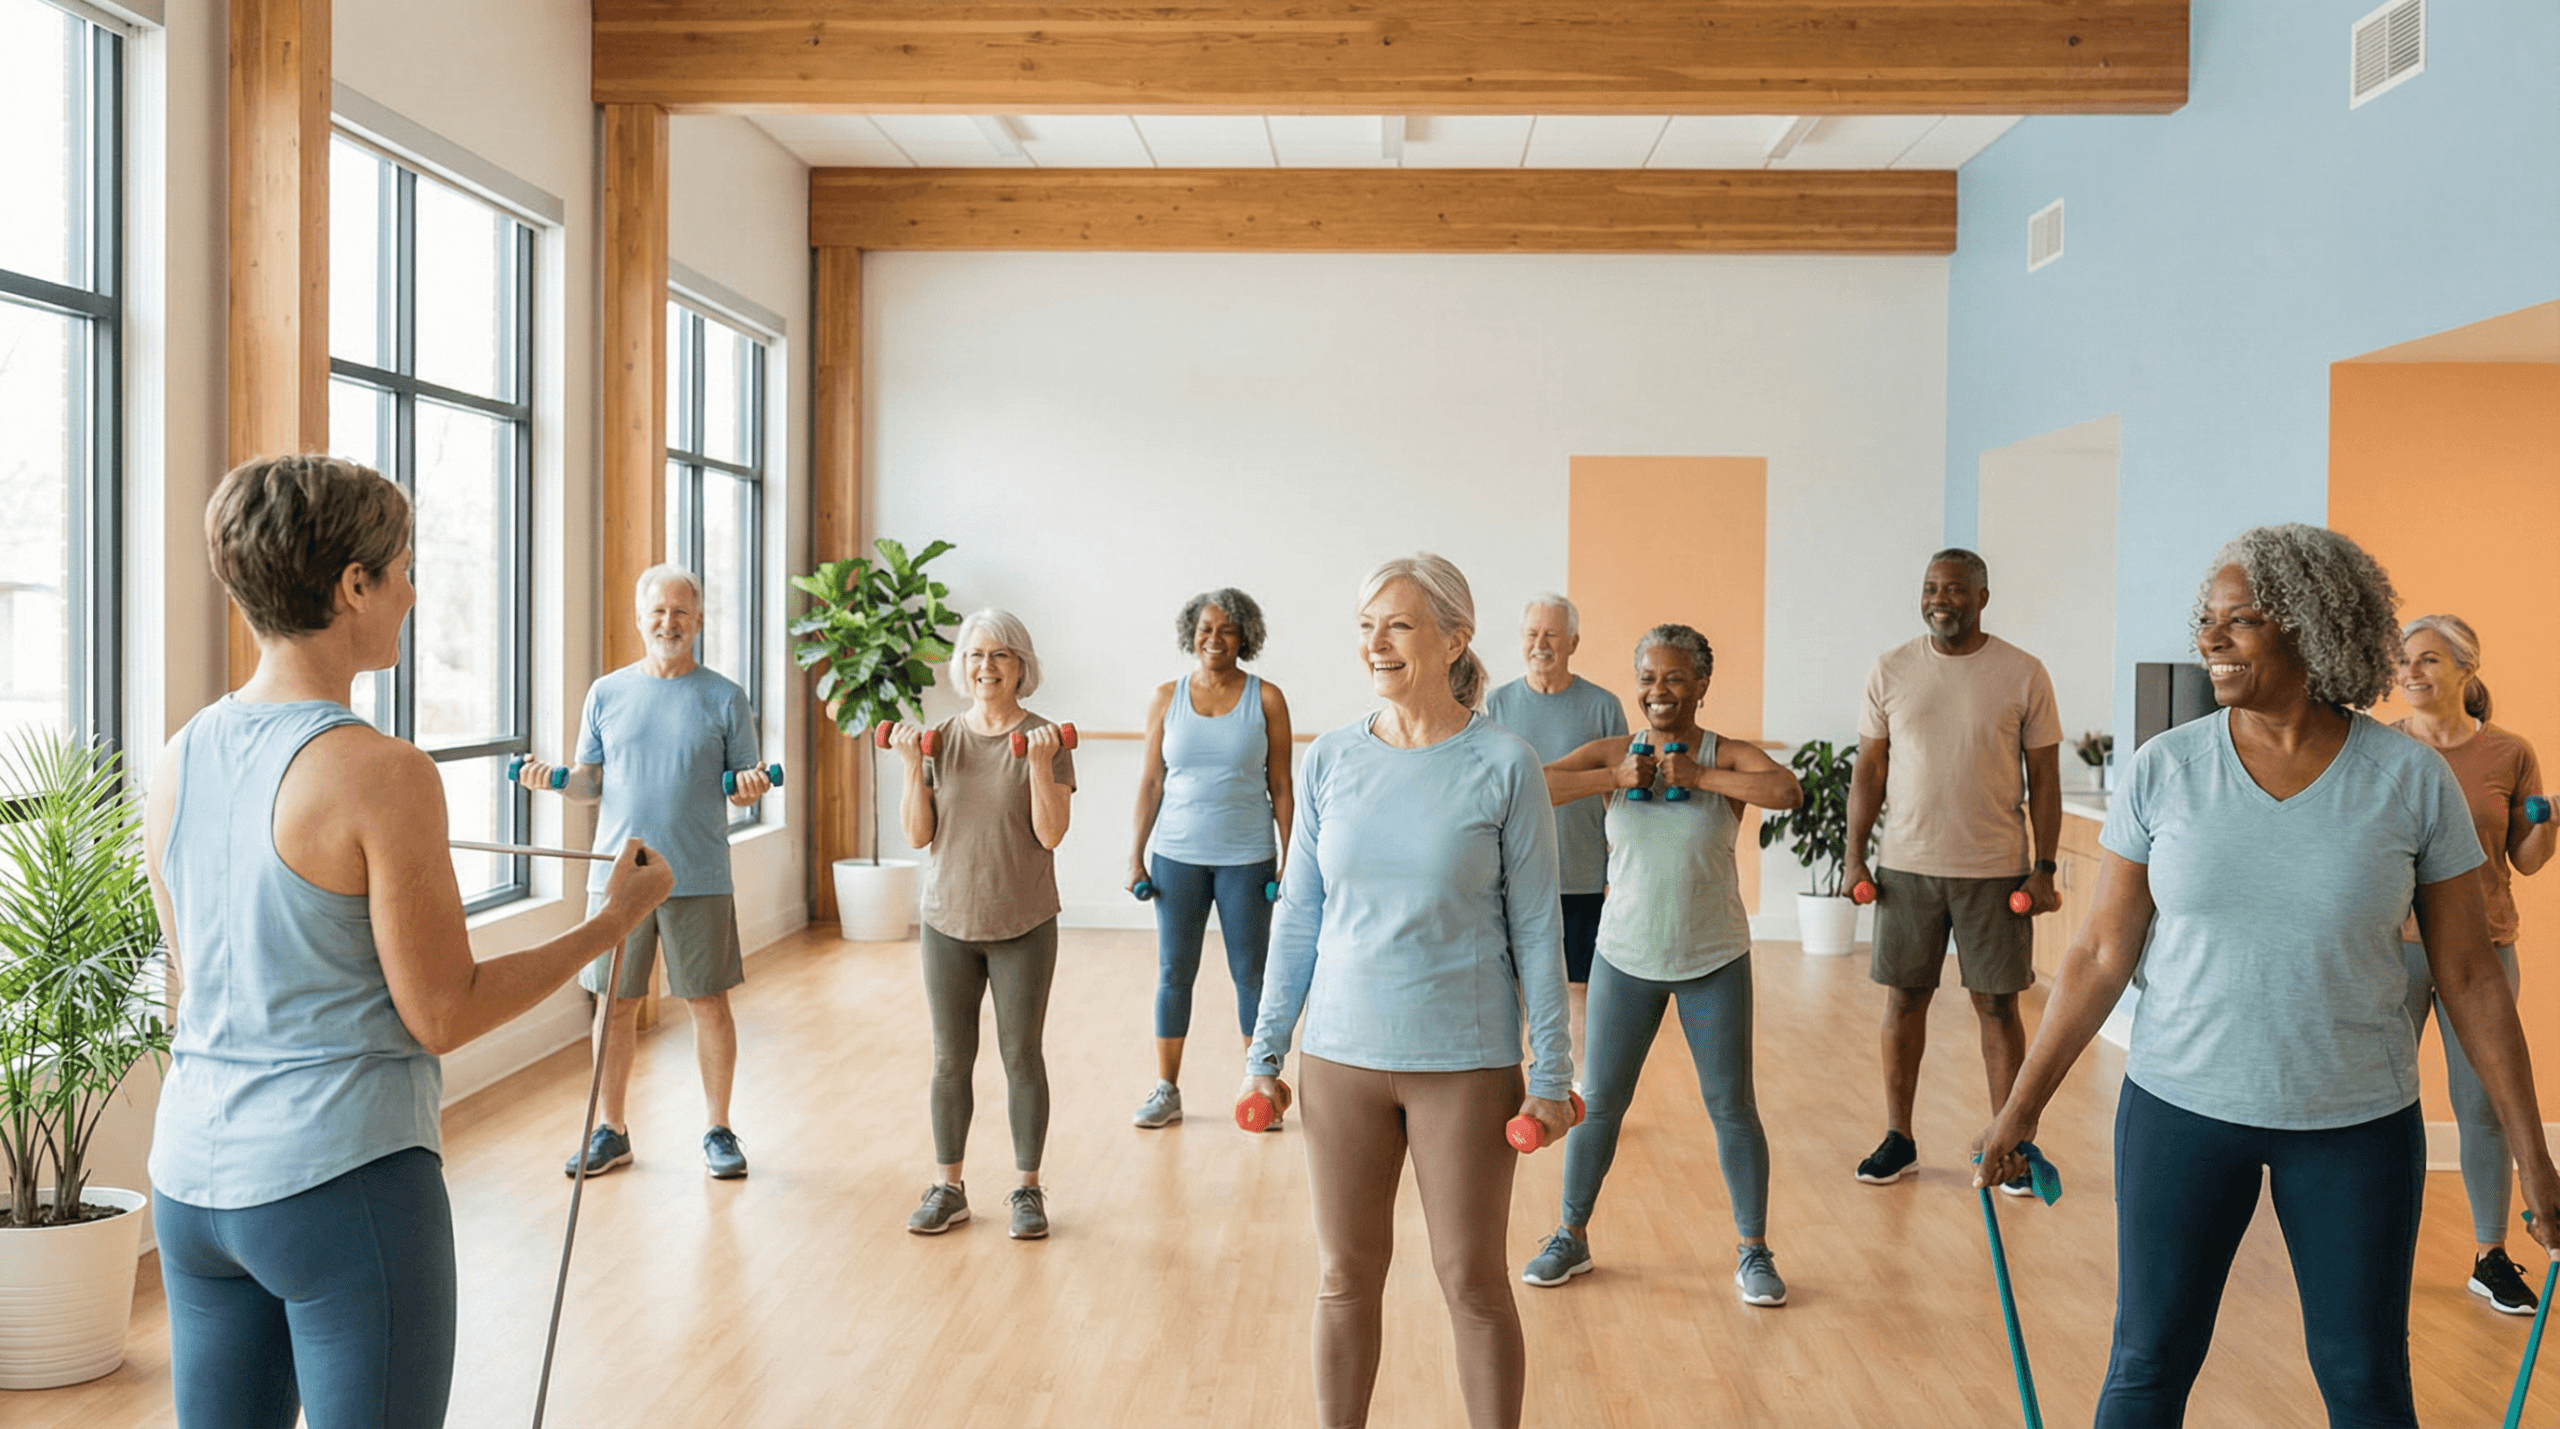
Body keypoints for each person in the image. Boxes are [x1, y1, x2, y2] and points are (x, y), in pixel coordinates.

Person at [1975, 525, 2560, 1427]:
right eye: (2207, 621)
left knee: (2365, 1378)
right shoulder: (2166, 768)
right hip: (2179, 1110)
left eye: (2239, 621)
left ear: (2313, 627)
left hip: (2354, 1125)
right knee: (2147, 1363)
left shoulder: (2408, 780)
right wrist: (2021, 1103)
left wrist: (2533, 1154)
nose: (2209, 640)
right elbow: (2098, 952)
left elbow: (2473, 980)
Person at [146, 454, 673, 1427]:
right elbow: (442, 1009)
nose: (413, 589)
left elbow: (197, 979)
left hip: (190, 1183)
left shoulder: (179, 754)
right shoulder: (378, 772)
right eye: (402, 566)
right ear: (353, 585)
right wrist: (612, 918)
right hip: (340, 1186)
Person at [1244, 552, 1574, 1429]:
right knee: (1345, 1278)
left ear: (1454, 637)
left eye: (1395, 623)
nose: (1374, 644)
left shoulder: (1505, 764)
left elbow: (1540, 930)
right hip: (1340, 1058)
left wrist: (1550, 1072)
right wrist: (1264, 1053)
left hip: (1463, 1062)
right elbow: (1300, 916)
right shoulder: (1330, 760)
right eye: (1364, 626)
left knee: (1471, 1280)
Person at [1517, 624, 1802, 1307]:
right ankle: (1570, 1235)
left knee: (1732, 1107)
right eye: (1647, 677)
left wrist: (1701, 776)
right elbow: (1536, 783)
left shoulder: (1724, 756)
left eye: (1674, 677)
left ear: (1702, 683)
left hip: (1713, 956)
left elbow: (1788, 792)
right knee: (1602, 1100)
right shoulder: (1619, 751)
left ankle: (1753, 1251)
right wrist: (1615, 777)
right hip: (1626, 955)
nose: (1658, 690)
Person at [519, 563, 771, 1182]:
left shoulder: (725, 696)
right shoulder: (605, 693)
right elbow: (590, 783)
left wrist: (747, 788)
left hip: (700, 875)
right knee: (613, 1004)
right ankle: (612, 1130)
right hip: (620, 880)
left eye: (681, 612)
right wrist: (552, 780)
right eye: (658, 611)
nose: (669, 622)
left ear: (700, 621)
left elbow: (743, 788)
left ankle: (718, 1129)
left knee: (707, 1003)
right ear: (639, 619)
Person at [1844, 547, 2062, 1191]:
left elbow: (2044, 779)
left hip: (1996, 869)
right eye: (1932, 588)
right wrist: (1854, 854)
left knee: (1997, 1005)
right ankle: (1898, 1138)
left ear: (1982, 598)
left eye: (1957, 589)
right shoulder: (1891, 669)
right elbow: (1869, 770)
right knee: (1904, 999)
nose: (1942, 599)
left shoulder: (2023, 672)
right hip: (1906, 867)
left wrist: (2043, 867)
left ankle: (2011, 1143)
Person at [881, 608, 1075, 1240]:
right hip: (947, 923)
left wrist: (1040, 767)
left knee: (1022, 1056)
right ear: (961, 667)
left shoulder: (1045, 739)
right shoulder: (942, 739)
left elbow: (1051, 834)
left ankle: (1026, 1189)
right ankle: (949, 1185)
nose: (985, 667)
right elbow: (918, 835)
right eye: (974, 656)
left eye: (999, 656)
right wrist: (913, 765)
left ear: (1022, 667)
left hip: (1023, 921)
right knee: (949, 1059)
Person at [2392, 613, 2550, 1314]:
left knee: (2481, 1103)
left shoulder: (2510, 753)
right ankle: (2374, 1250)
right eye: (2404, 660)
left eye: (2428, 660)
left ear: (2467, 669)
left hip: (2483, 949)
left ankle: (2490, 1255)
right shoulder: (2378, 748)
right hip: (2388, 948)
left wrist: (2546, 826)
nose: (2412, 672)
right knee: (2376, 1105)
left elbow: (2524, 859)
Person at [1128, 588, 1296, 1129]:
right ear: (1190, 634)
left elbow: (1282, 785)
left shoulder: (1266, 699)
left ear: (1245, 635)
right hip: (1176, 855)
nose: (1214, 639)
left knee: (1251, 973)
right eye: (1205, 629)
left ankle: (1260, 1086)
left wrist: (1291, 857)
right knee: (1174, 971)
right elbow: (1151, 782)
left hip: (1247, 856)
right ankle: (1166, 1089)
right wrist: (1135, 856)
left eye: (1226, 629)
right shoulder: (1165, 697)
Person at [1483, 593, 1628, 1071]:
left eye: (1551, 634)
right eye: (1531, 634)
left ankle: (1576, 1086)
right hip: (1511, 874)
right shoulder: (1497, 703)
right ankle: (1510, 1084)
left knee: (1578, 987)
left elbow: (1622, 796)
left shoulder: (1603, 706)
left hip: (1582, 873)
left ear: (1573, 642)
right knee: (1514, 986)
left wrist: (1618, 870)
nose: (1540, 644)